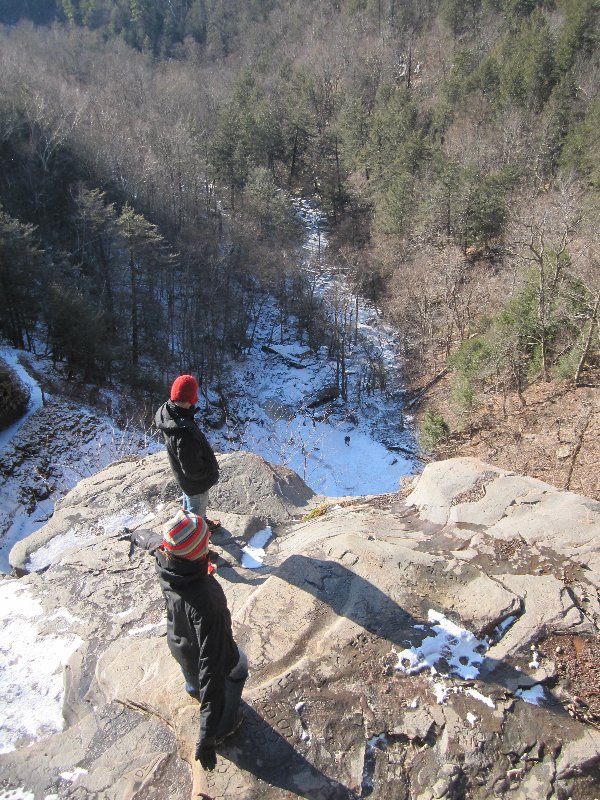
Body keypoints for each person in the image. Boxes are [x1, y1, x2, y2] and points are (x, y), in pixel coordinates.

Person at [131, 509, 248, 771]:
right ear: (196, 551)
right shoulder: (207, 605)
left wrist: (133, 535)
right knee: (239, 668)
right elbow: (213, 671)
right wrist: (207, 738)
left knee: (194, 680)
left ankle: (193, 691)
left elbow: (150, 540)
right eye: (205, 541)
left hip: (180, 644)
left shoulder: (166, 559)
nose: (208, 543)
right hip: (209, 657)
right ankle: (226, 725)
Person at [155, 374, 220, 529]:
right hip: (196, 484)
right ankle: (196, 540)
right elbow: (193, 470)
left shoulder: (169, 412)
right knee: (196, 510)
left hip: (185, 480)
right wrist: (210, 470)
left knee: (189, 503)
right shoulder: (184, 434)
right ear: (191, 398)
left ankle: (198, 521)